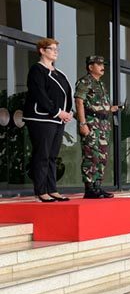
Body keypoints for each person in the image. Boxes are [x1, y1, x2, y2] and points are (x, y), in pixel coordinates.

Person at [23, 38, 73, 202]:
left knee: (52, 156)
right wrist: (58, 112)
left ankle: (52, 189)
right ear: (42, 51)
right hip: (41, 119)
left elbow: (66, 94)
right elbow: (40, 95)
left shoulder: (59, 73)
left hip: (58, 120)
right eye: (52, 49)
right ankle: (41, 191)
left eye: (57, 49)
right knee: (42, 155)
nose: (55, 51)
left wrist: (68, 112)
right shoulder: (37, 70)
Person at [75, 55, 118, 199]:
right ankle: (89, 188)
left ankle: (97, 186)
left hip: (104, 125)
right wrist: (82, 123)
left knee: (102, 157)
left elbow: (99, 105)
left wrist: (110, 108)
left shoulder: (100, 84)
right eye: (98, 64)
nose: (102, 66)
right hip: (91, 123)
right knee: (91, 155)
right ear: (90, 67)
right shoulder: (85, 81)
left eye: (103, 64)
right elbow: (79, 102)